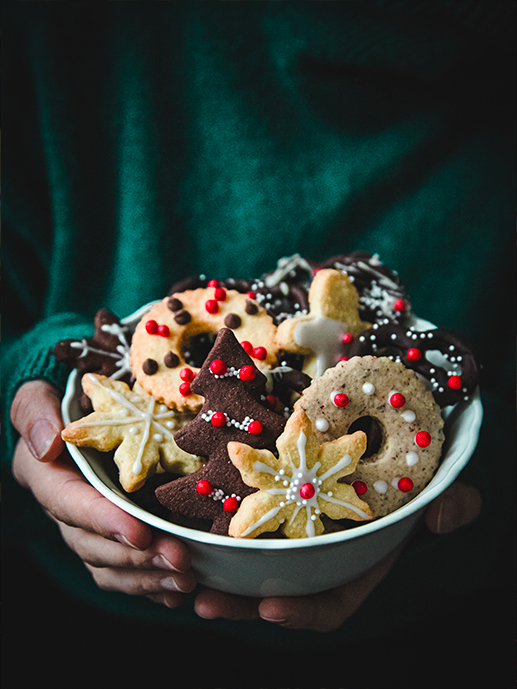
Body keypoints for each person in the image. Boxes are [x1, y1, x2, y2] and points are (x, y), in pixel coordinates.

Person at [2, 2, 515, 687]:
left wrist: (481, 484)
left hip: (439, 643)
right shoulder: (61, 33)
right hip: (68, 637)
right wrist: (34, 370)